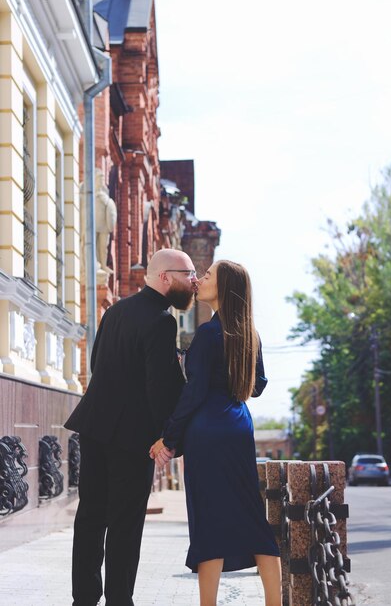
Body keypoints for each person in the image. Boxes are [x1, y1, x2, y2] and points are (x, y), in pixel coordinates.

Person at [64, 249, 198, 606]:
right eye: (189, 273)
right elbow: (159, 386)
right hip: (131, 436)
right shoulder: (161, 320)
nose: (195, 281)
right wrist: (167, 438)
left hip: (94, 426)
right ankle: (120, 600)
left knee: (90, 516)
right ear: (165, 277)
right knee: (125, 523)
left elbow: (96, 363)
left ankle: (84, 598)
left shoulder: (117, 310)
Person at [150, 260, 282, 606]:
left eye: (207, 275)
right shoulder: (249, 333)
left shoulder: (209, 333)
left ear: (222, 288)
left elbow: (193, 393)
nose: (200, 279)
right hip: (239, 426)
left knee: (208, 523)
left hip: (207, 430)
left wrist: (169, 438)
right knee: (253, 517)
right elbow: (260, 386)